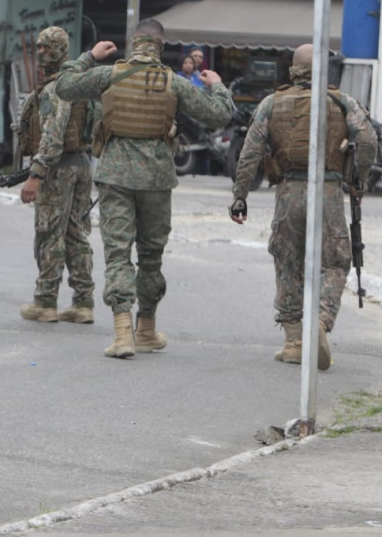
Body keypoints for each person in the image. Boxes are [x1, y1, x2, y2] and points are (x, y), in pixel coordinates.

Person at [54, 19, 233, 359]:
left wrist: (89, 56)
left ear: (134, 42)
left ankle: (123, 334)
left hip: (116, 177)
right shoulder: (174, 83)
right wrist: (219, 85)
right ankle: (146, 329)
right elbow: (219, 115)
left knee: (118, 253)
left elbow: (63, 85)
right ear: (161, 46)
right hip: (156, 178)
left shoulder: (108, 75)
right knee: (151, 257)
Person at [229, 43, 375, 370]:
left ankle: (294, 341)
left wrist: (240, 196)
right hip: (329, 191)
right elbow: (366, 139)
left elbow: (250, 152)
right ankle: (320, 323)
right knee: (335, 261)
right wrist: (358, 179)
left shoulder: (271, 103)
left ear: (293, 70)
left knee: (287, 261)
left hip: (288, 191)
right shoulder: (341, 100)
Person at [17, 26, 98, 324]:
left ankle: (45, 301)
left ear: (62, 50)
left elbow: (52, 133)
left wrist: (35, 174)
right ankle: (83, 302)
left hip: (59, 167)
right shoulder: (74, 81)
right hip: (79, 164)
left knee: (50, 232)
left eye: (47, 48)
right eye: (38, 47)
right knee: (75, 232)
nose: (41, 53)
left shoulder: (58, 86)